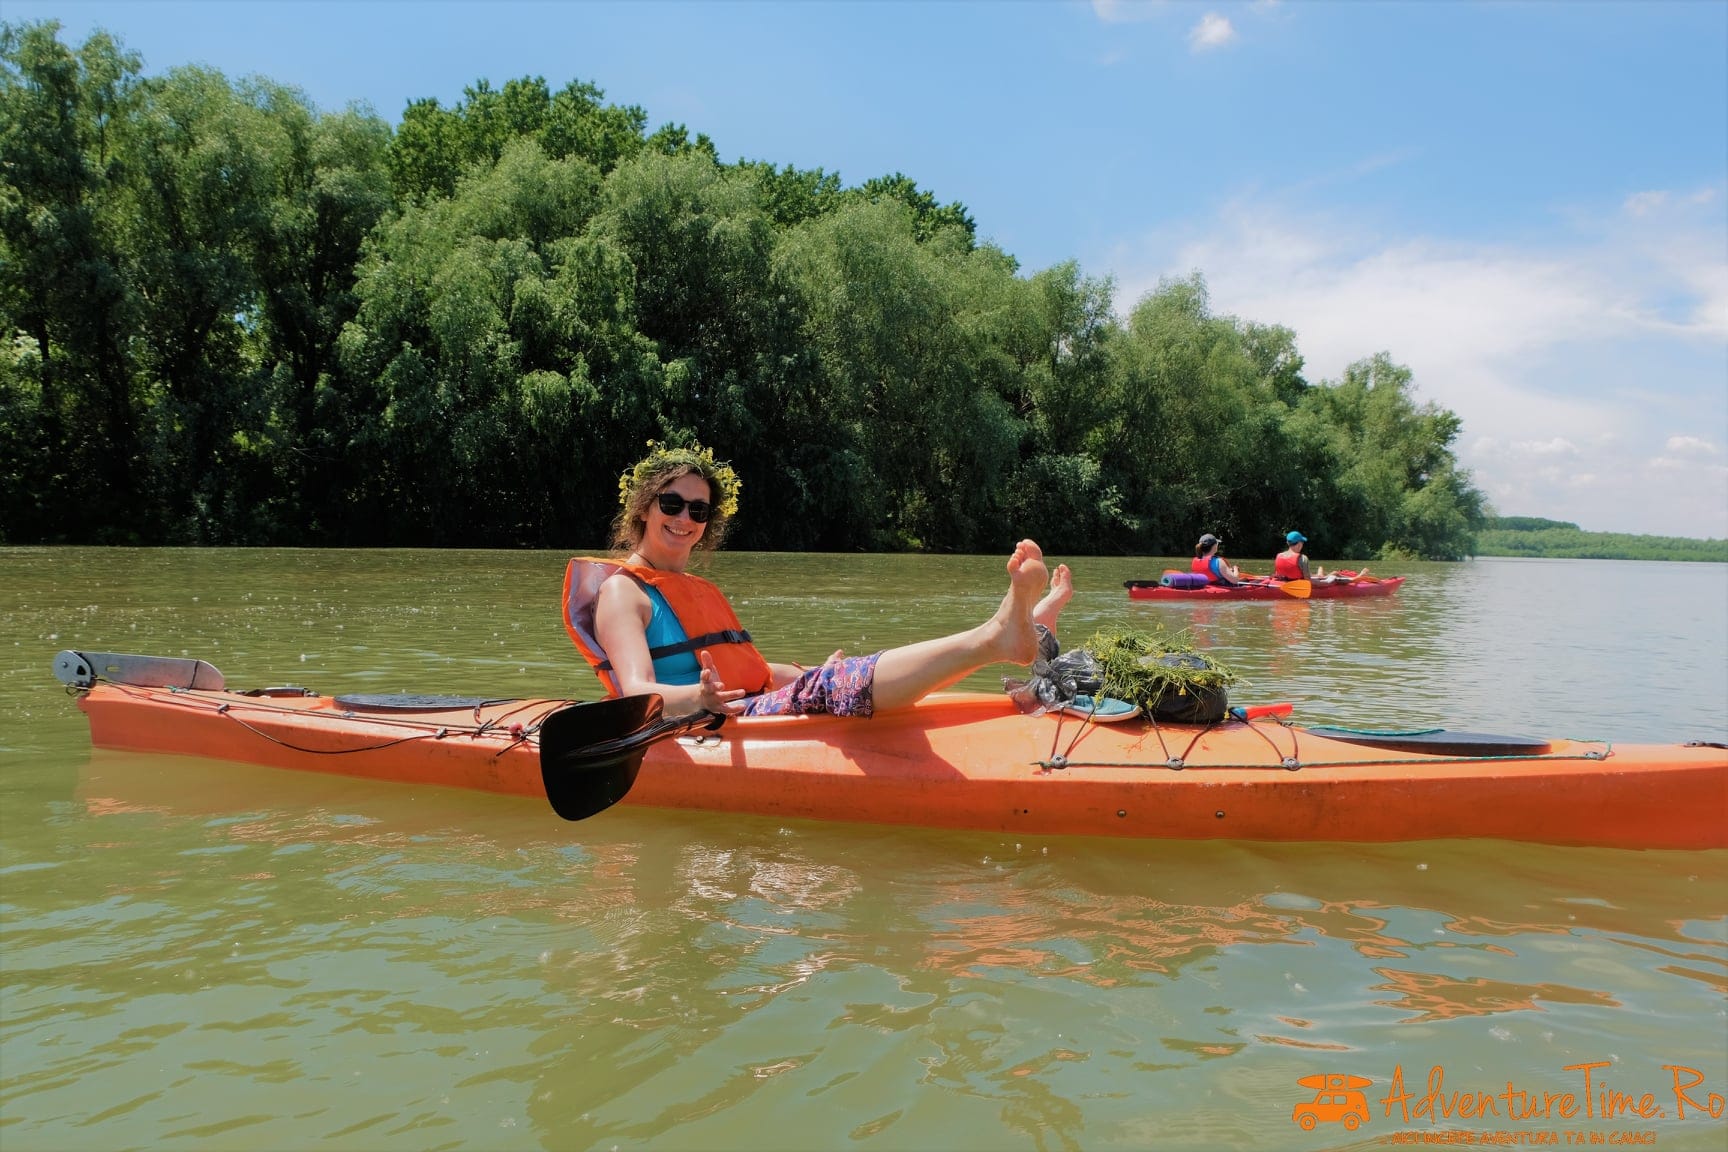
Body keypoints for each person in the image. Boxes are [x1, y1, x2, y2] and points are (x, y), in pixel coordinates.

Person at [561, 443, 1075, 718]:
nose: (684, 518)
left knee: (841, 674)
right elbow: (635, 694)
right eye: (671, 504)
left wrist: (804, 672)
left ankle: (1025, 628)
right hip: (697, 724)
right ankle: (998, 637)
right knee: (840, 687)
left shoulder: (692, 588)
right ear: (644, 508)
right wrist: (699, 699)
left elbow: (753, 672)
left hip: (740, 704)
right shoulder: (623, 593)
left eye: (698, 509)